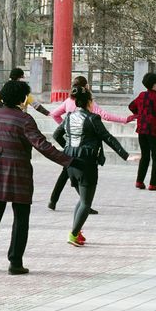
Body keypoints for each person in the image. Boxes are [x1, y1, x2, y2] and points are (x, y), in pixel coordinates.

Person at [0, 79, 71, 274]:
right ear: (22, 98)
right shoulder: (25, 119)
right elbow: (42, 145)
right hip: (19, 172)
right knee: (21, 217)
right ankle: (15, 263)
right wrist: (68, 161)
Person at [47, 76, 131, 210]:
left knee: (65, 174)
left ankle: (53, 200)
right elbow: (105, 117)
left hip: (70, 146)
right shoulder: (88, 102)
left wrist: (67, 133)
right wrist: (125, 119)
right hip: (84, 148)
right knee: (79, 177)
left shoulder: (69, 101)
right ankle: (85, 204)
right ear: (86, 87)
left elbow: (55, 115)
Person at [60, 86, 129, 247]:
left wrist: (69, 148)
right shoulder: (93, 118)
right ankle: (73, 234)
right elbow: (108, 138)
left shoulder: (69, 116)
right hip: (86, 163)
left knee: (82, 199)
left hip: (70, 162)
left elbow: (57, 134)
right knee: (86, 203)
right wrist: (126, 155)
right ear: (89, 102)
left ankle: (76, 232)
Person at [128, 72, 156, 190]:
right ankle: (153, 183)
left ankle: (139, 181)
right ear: (155, 84)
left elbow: (131, 106)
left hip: (142, 129)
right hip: (154, 130)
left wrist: (139, 114)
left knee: (145, 156)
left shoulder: (141, 95)